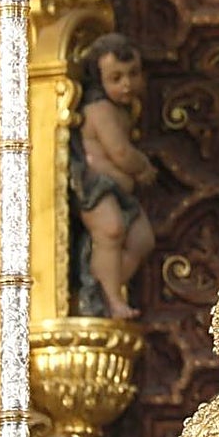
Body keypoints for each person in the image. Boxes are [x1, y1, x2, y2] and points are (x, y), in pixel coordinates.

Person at [70, 33, 156, 320]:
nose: (127, 84)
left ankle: (104, 290)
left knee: (142, 239)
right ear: (99, 79)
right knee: (111, 229)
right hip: (96, 186)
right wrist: (142, 166)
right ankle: (109, 298)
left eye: (133, 74)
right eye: (116, 78)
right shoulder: (100, 110)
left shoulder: (121, 110)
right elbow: (119, 152)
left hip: (117, 189)